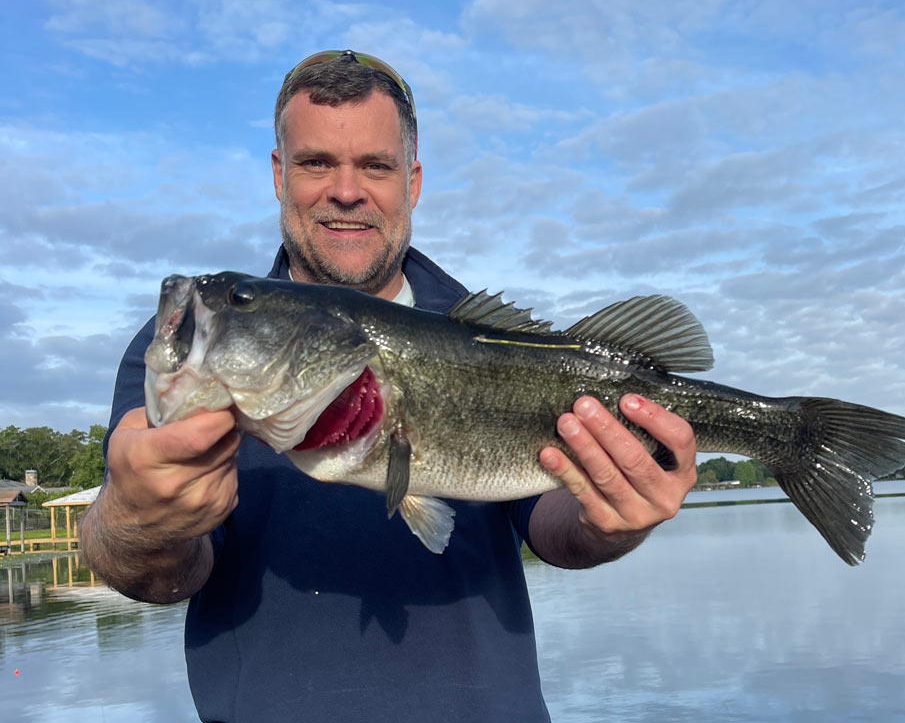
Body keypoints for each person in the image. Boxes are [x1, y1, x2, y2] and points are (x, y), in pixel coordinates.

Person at [81, 50, 698, 722]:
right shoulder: (197, 343)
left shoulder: (494, 340)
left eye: (375, 165)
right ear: (279, 174)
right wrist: (136, 524)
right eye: (317, 163)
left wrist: (613, 515)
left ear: (413, 181)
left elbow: (555, 529)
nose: (347, 191)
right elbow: (153, 571)